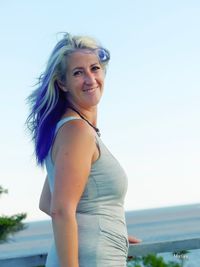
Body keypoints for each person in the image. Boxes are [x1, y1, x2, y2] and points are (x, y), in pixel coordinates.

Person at [26, 32, 140, 267]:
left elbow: (46, 202)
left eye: (95, 68)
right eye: (78, 72)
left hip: (95, 252)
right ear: (62, 82)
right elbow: (59, 210)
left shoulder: (70, 129)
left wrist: (112, 233)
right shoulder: (77, 132)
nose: (90, 79)